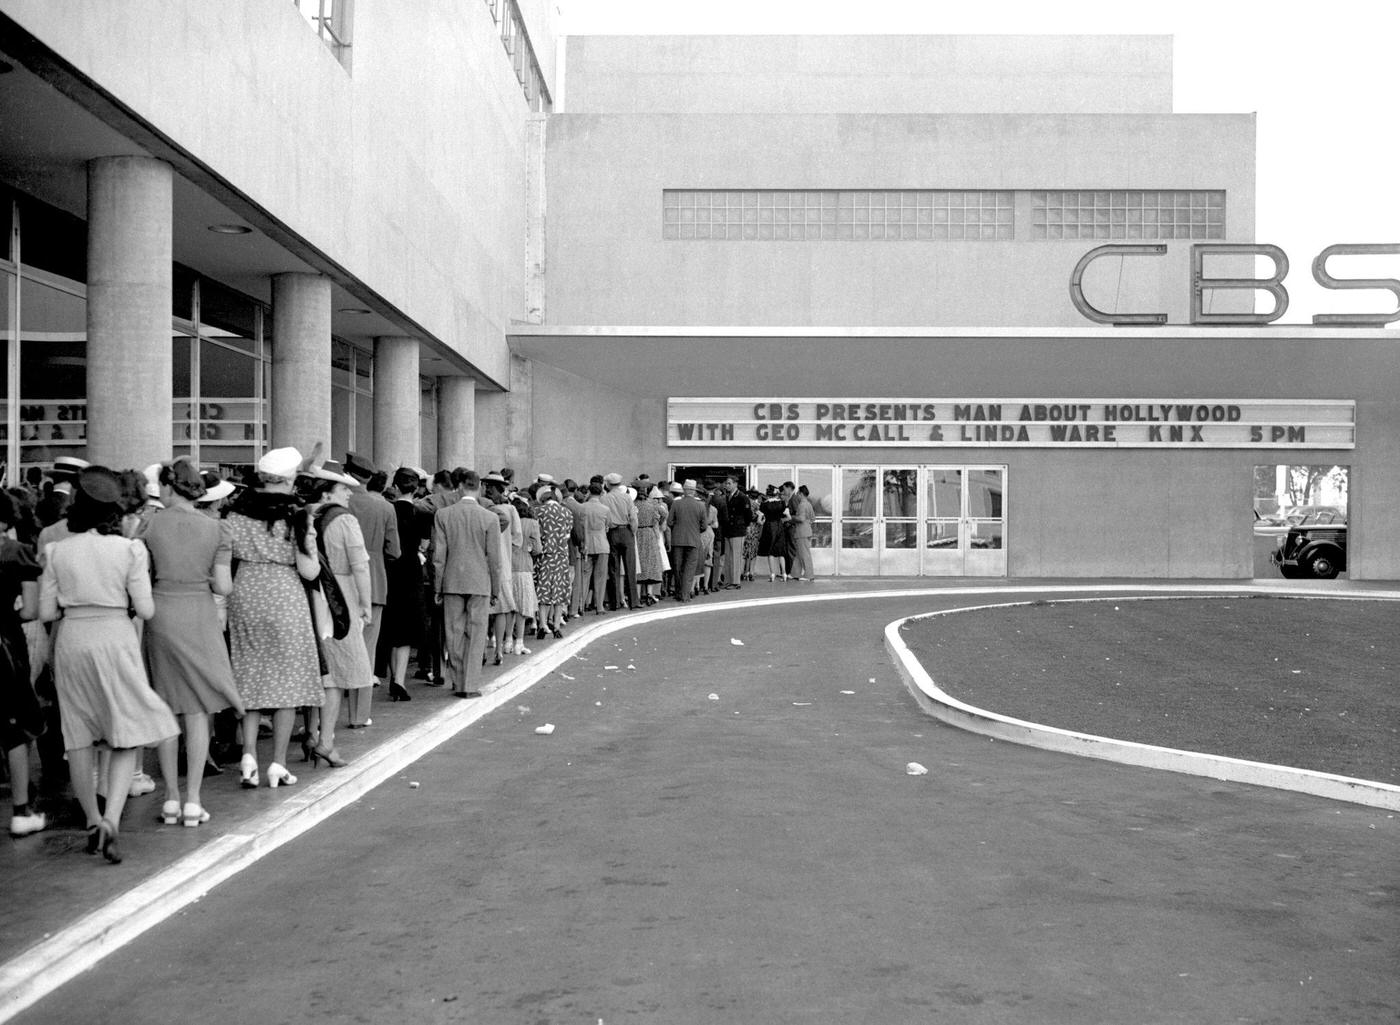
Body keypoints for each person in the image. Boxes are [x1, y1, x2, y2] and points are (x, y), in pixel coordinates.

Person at [40, 466, 179, 863]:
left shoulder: (56, 551)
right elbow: (147, 610)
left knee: (79, 735)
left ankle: (91, 818)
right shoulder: (129, 550)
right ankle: (112, 821)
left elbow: (48, 612)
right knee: (124, 731)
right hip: (116, 637)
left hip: (72, 640)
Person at [141, 458, 244, 827]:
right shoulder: (217, 529)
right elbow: (224, 586)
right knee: (199, 709)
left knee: (168, 707)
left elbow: (141, 574)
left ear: (169, 487)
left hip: (161, 613)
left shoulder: (150, 525)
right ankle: (193, 800)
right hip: (199, 614)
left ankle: (170, 798)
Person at [221, 447, 323, 790]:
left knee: (250, 676)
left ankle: (248, 755)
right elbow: (309, 571)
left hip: (245, 590)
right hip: (284, 594)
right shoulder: (298, 515)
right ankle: (277, 764)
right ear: (291, 477)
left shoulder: (235, 513)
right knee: (287, 683)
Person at [300, 458, 374, 766]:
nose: (348, 494)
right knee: (336, 674)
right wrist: (365, 604)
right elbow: (359, 565)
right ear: (328, 491)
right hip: (338, 597)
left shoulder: (302, 516)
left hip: (307, 595)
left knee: (314, 668)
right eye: (343, 489)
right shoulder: (345, 521)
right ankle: (325, 741)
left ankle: (309, 732)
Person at [432, 469, 501, 699]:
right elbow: (495, 559)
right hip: (480, 581)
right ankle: (470, 684)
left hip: (452, 580)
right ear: (479, 487)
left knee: (454, 632)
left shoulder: (443, 515)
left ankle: (458, 679)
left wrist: (437, 586)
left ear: (459, 487)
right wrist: (496, 588)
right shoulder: (489, 518)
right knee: (477, 632)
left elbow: (439, 557)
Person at [344, 453, 400, 728]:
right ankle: (359, 714)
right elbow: (395, 550)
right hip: (375, 580)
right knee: (367, 649)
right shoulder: (385, 507)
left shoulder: (341, 502)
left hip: (341, 580)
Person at [1, 492, 45, 838]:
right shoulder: (17, 553)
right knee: (13, 725)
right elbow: (32, 610)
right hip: (4, 643)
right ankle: (21, 811)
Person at [383, 468, 427, 700]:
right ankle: (399, 680)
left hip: (391, 568)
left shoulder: (388, 511)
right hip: (412, 569)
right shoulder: (421, 513)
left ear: (396, 487)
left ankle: (394, 678)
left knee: (392, 625)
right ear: (416, 488)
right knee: (407, 628)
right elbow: (425, 544)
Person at [532, 486, 571, 638]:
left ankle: (542, 624)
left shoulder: (538, 512)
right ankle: (555, 625)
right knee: (559, 591)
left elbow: (537, 534)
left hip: (545, 555)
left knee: (544, 590)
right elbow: (567, 534)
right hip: (561, 555)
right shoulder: (567, 513)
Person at [601, 472, 639, 611]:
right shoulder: (627, 497)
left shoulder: (604, 499)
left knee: (613, 569)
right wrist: (632, 532)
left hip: (612, 532)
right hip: (626, 531)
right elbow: (633, 518)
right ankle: (634, 601)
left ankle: (615, 602)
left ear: (608, 484)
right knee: (630, 567)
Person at [666, 480, 707, 602]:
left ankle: (679, 592)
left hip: (677, 539)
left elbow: (669, 522)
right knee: (689, 568)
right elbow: (704, 526)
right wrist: (695, 530)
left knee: (677, 567)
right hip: (693, 540)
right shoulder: (700, 505)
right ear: (694, 491)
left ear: (684, 490)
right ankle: (685, 594)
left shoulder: (676, 504)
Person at [510, 494, 541, 654]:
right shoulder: (532, 523)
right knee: (523, 606)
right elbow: (538, 549)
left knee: (508, 606)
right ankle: (519, 643)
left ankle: (506, 640)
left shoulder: (507, 521)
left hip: (508, 565)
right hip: (524, 564)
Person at [580, 482, 610, 614]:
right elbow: (609, 525)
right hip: (602, 543)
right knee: (601, 577)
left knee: (585, 576)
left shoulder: (582, 507)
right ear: (601, 492)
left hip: (586, 543)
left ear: (589, 492)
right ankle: (599, 606)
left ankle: (581, 605)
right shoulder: (605, 509)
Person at [634, 483, 664, 605]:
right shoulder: (652, 504)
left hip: (637, 533)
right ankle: (650, 593)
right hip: (650, 532)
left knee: (639, 563)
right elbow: (663, 515)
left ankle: (638, 594)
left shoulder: (633, 504)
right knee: (651, 562)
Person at [722, 475, 752, 589]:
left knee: (736, 556)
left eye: (729, 483)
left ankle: (735, 581)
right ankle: (728, 580)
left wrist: (746, 526)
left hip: (738, 529)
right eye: (726, 483)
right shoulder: (727, 496)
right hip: (729, 529)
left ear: (735, 484)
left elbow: (748, 514)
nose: (727, 485)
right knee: (729, 556)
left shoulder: (742, 497)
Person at [758, 485, 789, 581]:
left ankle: (772, 574)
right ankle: (784, 574)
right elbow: (789, 517)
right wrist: (781, 521)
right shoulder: (782, 504)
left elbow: (759, 521)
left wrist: (763, 522)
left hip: (768, 527)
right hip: (779, 527)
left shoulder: (764, 505)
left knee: (770, 552)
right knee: (780, 552)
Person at [791, 483, 816, 582]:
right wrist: (807, 523)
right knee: (798, 554)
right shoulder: (809, 504)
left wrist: (791, 517)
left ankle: (809, 575)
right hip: (806, 531)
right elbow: (813, 518)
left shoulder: (802, 505)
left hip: (802, 532)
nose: (797, 495)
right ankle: (795, 574)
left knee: (804, 554)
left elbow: (801, 518)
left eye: (797, 493)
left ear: (801, 494)